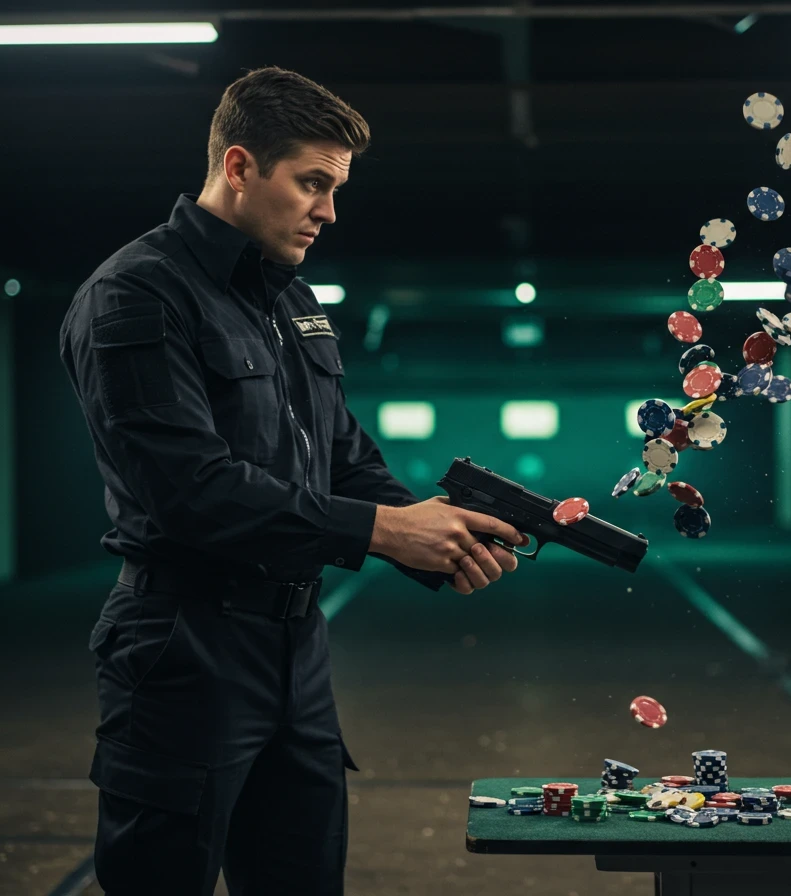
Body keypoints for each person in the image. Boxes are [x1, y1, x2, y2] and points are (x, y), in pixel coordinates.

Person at [58, 65, 526, 895]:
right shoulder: (136, 295)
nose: (329, 211)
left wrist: (437, 535)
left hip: (295, 651)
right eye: (313, 183)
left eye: (336, 187)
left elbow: (340, 454)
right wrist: (385, 532)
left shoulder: (289, 298)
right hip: (183, 646)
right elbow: (190, 489)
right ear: (239, 167)